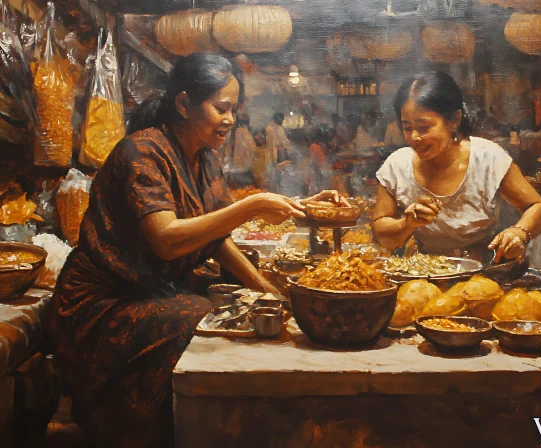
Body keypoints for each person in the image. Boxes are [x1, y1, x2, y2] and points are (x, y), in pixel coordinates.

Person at [47, 53, 344, 448]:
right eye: (221, 108)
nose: (231, 119)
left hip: (151, 290)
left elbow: (215, 236)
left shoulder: (204, 159)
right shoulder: (142, 152)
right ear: (184, 105)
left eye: (234, 109)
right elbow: (167, 240)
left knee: (244, 301)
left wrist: (269, 288)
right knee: (206, 314)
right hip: (102, 302)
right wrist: (251, 207)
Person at [372, 72, 541, 263]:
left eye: (424, 127)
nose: (414, 137)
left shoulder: (487, 158)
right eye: (407, 128)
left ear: (454, 120)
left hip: (484, 276)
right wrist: (407, 224)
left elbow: (536, 207)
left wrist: (519, 232)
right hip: (425, 277)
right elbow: (381, 233)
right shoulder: (397, 166)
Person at [253, 112, 290, 189]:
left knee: (275, 172)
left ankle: (275, 185)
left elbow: (284, 142)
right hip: (272, 154)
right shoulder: (271, 129)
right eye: (281, 120)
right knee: (272, 173)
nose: (282, 122)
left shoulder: (276, 128)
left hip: (275, 154)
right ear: (276, 119)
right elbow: (277, 144)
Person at [222, 113, 257, 188]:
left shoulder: (235, 132)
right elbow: (252, 147)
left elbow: (225, 150)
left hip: (236, 169)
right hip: (239, 169)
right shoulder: (239, 132)